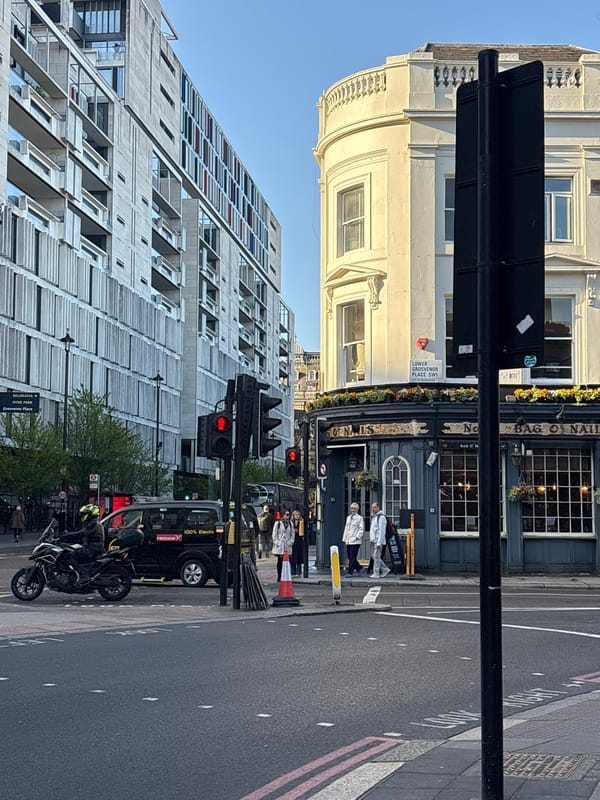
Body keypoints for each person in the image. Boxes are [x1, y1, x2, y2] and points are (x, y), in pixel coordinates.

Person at [59, 503, 105, 581]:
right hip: (93, 548)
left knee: (69, 556)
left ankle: (82, 575)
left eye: (84, 514)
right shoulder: (92, 523)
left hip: (92, 549)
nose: (82, 515)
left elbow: (81, 533)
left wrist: (65, 536)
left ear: (90, 514)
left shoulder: (93, 524)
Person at [343, 502, 365, 577]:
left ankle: (350, 572)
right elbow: (346, 528)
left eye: (354, 509)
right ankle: (359, 568)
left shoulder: (359, 518)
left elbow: (361, 529)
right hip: (349, 540)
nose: (353, 510)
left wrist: (357, 537)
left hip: (355, 541)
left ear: (357, 510)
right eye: (352, 508)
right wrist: (345, 538)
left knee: (352, 557)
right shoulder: (348, 518)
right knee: (349, 556)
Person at [271, 510, 294, 581]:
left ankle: (286, 576)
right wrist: (277, 542)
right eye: (286, 515)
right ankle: (279, 576)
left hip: (287, 545)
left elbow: (292, 534)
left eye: (288, 515)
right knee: (280, 561)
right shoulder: (277, 523)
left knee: (287, 562)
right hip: (280, 546)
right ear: (283, 515)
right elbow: (274, 535)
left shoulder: (290, 523)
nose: (288, 516)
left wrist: (290, 542)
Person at [369, 502, 390, 578]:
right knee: (373, 556)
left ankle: (376, 573)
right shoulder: (374, 517)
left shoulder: (381, 518)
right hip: (373, 540)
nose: (373, 509)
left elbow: (382, 531)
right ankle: (385, 569)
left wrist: (379, 542)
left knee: (377, 556)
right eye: (372, 507)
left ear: (378, 508)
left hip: (378, 540)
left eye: (374, 507)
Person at [290, 510, 304, 576]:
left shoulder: (301, 522)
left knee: (299, 557)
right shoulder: (291, 522)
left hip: (299, 541)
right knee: (293, 557)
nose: (297, 516)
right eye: (296, 514)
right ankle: (292, 572)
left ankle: (298, 572)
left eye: (298, 514)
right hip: (293, 541)